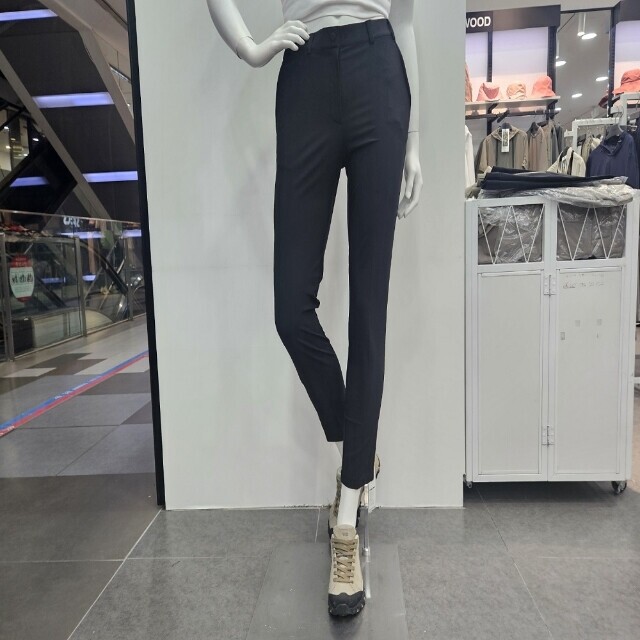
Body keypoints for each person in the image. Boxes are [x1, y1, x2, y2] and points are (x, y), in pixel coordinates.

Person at [206, 0, 422, 617]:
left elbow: (404, 21)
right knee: (290, 307)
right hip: (304, 73)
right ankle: (358, 447)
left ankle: (347, 519)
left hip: (380, 71)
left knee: (369, 308)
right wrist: (251, 48)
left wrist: (416, 139)